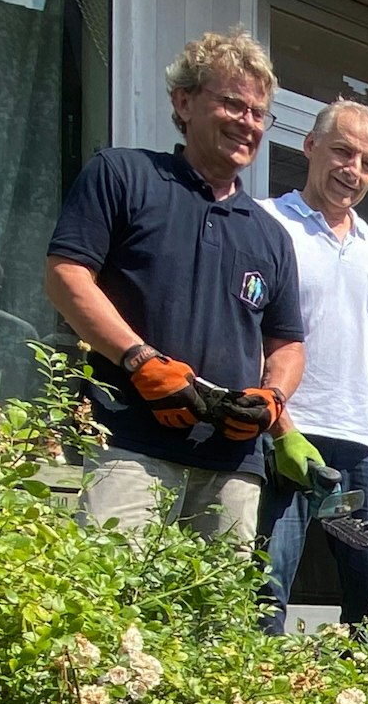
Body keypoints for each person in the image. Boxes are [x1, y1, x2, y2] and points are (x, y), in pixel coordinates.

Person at [45, 28, 304, 544]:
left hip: (232, 464)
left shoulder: (271, 235)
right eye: (233, 104)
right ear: (183, 102)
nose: (248, 122)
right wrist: (139, 361)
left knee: (217, 597)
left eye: (259, 113)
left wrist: (273, 397)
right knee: (110, 588)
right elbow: (66, 275)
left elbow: (288, 344)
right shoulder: (123, 175)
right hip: (126, 442)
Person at [257, 100, 368, 637]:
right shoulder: (266, 223)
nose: (353, 170)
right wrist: (279, 424)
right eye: (342, 151)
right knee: (263, 584)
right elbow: (248, 337)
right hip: (284, 434)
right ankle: (254, 692)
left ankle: (361, 690)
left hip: (363, 446)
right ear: (310, 146)